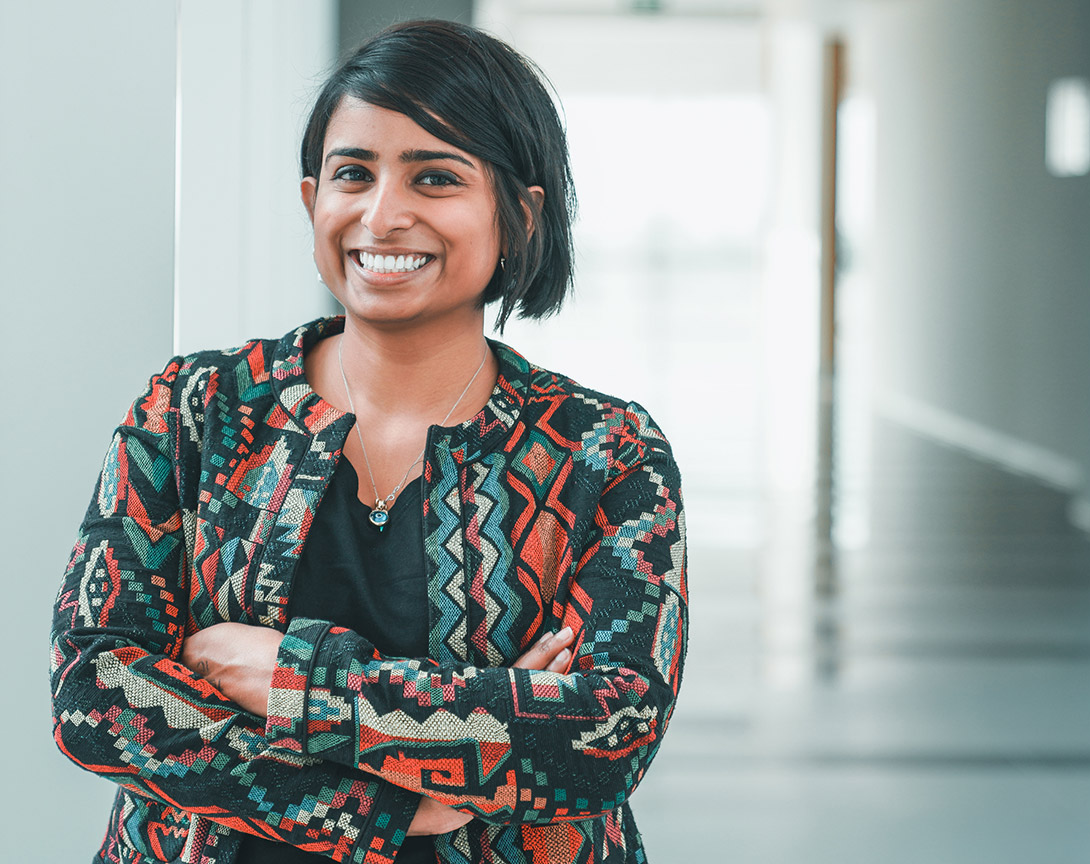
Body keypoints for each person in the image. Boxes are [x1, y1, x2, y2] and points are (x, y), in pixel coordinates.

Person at [50, 19, 687, 864]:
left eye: (436, 177)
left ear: (519, 213)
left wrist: (288, 679)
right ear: (313, 199)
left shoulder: (604, 451)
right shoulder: (195, 410)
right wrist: (388, 791)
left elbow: (605, 735)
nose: (384, 216)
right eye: (354, 173)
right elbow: (94, 693)